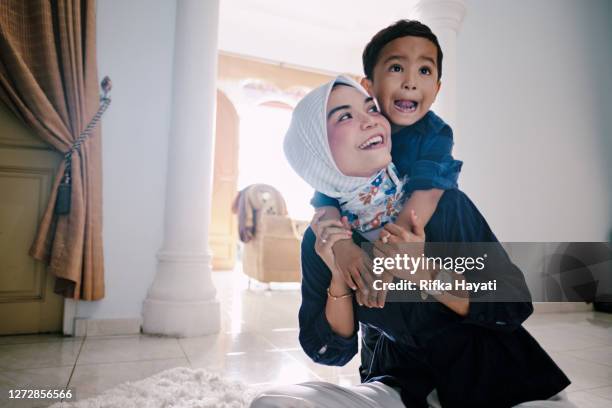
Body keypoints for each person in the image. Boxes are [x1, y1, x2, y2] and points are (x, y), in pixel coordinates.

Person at [249, 76, 575, 407]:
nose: (370, 119)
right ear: (315, 149)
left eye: (371, 108)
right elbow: (332, 352)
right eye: (345, 116)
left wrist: (424, 272)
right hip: (404, 386)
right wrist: (338, 276)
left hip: (500, 383)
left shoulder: (443, 206)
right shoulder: (323, 239)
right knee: (272, 403)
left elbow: (513, 304)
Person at [305, 20, 463, 309]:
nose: (411, 82)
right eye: (396, 68)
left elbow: (426, 194)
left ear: (437, 89)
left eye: (424, 70)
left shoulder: (435, 134)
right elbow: (325, 195)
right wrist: (342, 246)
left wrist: (386, 262)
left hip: (411, 248)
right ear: (368, 86)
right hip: (364, 251)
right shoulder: (357, 134)